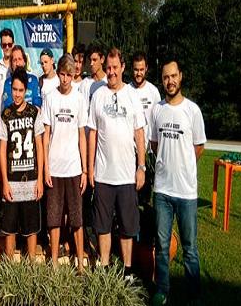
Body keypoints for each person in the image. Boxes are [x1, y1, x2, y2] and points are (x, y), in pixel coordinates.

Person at [150, 59, 206, 306]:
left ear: (181, 76)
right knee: (162, 246)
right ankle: (162, 290)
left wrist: (183, 165)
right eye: (165, 77)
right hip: (162, 190)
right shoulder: (157, 110)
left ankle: (194, 294)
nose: (169, 81)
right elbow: (153, 144)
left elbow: (199, 147)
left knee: (189, 247)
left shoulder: (192, 110)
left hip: (186, 192)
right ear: (162, 80)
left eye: (173, 76)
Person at [87, 48, 146, 279]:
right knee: (102, 225)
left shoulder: (132, 95)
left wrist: (141, 167)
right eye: (108, 68)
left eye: (115, 68)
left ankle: (128, 270)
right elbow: (92, 133)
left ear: (122, 68)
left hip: (126, 175)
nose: (111, 72)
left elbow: (139, 133)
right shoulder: (99, 95)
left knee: (127, 226)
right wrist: (89, 167)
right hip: (103, 174)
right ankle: (103, 265)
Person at [42, 54, 87, 271]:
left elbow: (82, 136)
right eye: (62, 74)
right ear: (58, 73)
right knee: (54, 217)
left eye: (69, 75)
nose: (65, 79)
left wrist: (86, 170)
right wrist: (46, 168)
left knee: (77, 218)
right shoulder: (50, 98)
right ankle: (54, 263)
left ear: (74, 74)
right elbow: (45, 134)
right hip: (55, 167)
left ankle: (79, 262)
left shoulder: (79, 99)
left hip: (74, 168)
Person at [0, 67, 44, 260]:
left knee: (31, 226)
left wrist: (40, 178)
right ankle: (9, 268)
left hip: (31, 177)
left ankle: (31, 265)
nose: (17, 94)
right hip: (12, 178)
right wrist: (5, 181)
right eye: (14, 90)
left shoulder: (34, 113)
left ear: (26, 91)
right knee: (9, 227)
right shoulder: (6, 114)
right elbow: (1, 149)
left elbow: (40, 146)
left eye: (20, 90)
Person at [129, 51, 161, 205]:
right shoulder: (126, 90)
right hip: (129, 152)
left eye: (141, 69)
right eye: (136, 69)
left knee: (146, 196)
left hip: (147, 153)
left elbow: (157, 122)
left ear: (146, 68)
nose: (138, 73)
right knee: (129, 194)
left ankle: (145, 225)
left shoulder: (153, 92)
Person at [1, 45, 42, 114]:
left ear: (24, 62)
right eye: (14, 60)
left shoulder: (33, 80)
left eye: (20, 59)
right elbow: (8, 106)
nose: (17, 63)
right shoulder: (8, 83)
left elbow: (37, 105)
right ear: (11, 64)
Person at [0, 28, 14, 132]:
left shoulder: (19, 65)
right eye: (4, 45)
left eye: (9, 44)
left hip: (17, 120)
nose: (7, 47)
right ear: (1, 46)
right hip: (0, 123)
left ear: (13, 44)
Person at [79, 44, 107, 115]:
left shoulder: (108, 81)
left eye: (94, 60)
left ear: (102, 59)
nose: (91, 63)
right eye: (90, 60)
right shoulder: (84, 83)